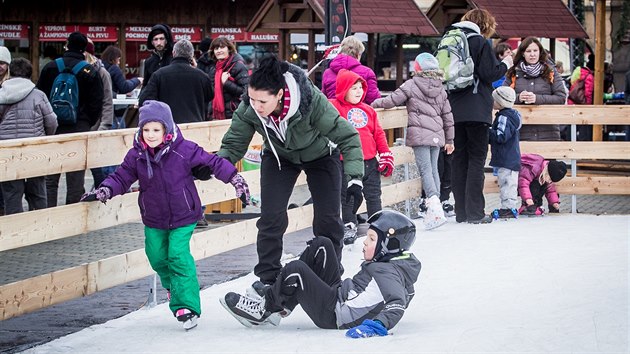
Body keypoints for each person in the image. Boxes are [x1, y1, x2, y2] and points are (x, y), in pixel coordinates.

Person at [79, 100, 251, 330]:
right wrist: (105, 190)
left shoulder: (185, 150)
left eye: (156, 130)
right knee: (157, 257)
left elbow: (214, 162)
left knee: (178, 256)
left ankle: (186, 307)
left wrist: (235, 179)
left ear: (167, 129)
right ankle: (173, 287)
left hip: (183, 214)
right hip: (154, 217)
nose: (150, 135)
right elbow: (121, 177)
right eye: (146, 130)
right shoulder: (136, 155)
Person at [216, 55, 363, 285]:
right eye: (252, 99)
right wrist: (217, 165)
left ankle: (330, 277)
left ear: (280, 94)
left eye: (262, 102)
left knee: (328, 220)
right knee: (271, 217)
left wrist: (355, 178)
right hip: (279, 157)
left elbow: (347, 136)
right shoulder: (250, 107)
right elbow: (234, 143)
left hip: (321, 157)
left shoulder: (311, 102)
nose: (256, 106)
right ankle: (268, 278)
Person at [220, 209, 421, 339]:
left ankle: (263, 311)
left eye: (371, 238)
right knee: (322, 245)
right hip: (339, 295)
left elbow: (397, 301)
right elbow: (406, 293)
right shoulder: (391, 265)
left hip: (334, 314)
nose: (364, 242)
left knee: (296, 270)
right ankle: (278, 300)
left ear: (389, 246)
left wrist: (377, 325)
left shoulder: (387, 271)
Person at [372, 53, 454, 230]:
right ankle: (436, 203)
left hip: (419, 134)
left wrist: (373, 104)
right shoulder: (441, 87)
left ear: (417, 69)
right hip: (437, 134)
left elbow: (391, 101)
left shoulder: (411, 84)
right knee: (433, 171)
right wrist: (450, 139)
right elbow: (448, 116)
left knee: (425, 170)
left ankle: (434, 207)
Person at [446, 9, 513, 224]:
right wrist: (506, 65)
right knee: (476, 160)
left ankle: (461, 212)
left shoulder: (452, 41)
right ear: (485, 25)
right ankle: (475, 213)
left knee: (459, 160)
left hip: (455, 109)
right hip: (477, 111)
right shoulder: (480, 43)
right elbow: (489, 74)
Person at [37, 31, 104, 207]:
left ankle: (48, 215)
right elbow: (97, 103)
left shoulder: (50, 67)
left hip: (53, 127)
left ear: (66, 45)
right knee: (75, 176)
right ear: (84, 49)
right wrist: (86, 123)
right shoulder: (89, 71)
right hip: (79, 127)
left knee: (51, 177)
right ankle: (72, 218)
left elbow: (40, 97)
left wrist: (47, 122)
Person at [329, 69, 392, 244]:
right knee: (349, 196)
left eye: (360, 88)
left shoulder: (368, 110)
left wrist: (385, 153)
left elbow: (378, 133)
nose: (359, 91)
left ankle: (378, 225)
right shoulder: (335, 106)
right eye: (353, 88)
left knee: (373, 194)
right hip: (346, 161)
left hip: (370, 160)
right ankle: (349, 225)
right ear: (343, 89)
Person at [0, 58, 58, 214]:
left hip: (7, 152)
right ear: (30, 74)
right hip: (35, 150)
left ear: (10, 72)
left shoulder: (1, 94)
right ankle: (39, 231)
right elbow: (52, 121)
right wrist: (44, 137)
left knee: (12, 195)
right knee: (38, 193)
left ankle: (15, 232)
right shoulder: (39, 95)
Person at [503, 37, 566, 141]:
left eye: (535, 51)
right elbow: (502, 97)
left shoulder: (551, 72)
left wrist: (537, 99)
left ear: (540, 52)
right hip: (520, 132)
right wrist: (519, 98)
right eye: (528, 51)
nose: (532, 54)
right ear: (523, 53)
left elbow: (561, 97)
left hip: (548, 132)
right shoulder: (513, 72)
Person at [139, 39, 212, 124]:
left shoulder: (159, 75)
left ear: (173, 53)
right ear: (192, 56)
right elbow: (210, 95)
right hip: (195, 125)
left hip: (168, 126)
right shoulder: (202, 76)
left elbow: (145, 99)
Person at [488, 86, 521, 219]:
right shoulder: (511, 116)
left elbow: (501, 136)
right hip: (510, 157)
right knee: (507, 182)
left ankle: (508, 208)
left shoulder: (504, 117)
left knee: (507, 182)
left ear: (501, 102)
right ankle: (508, 206)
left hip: (506, 157)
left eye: (494, 99)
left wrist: (487, 130)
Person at [197, 36, 249, 120]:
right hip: (215, 115)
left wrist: (226, 83)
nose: (219, 51)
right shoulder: (214, 69)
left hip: (234, 115)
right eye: (216, 48)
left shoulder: (238, 66)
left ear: (229, 49)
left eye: (222, 47)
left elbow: (246, 92)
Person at [321, 35, 381, 104]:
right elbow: (373, 100)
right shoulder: (367, 72)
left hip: (334, 112)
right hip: (358, 113)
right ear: (358, 54)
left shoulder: (327, 73)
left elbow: (324, 99)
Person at [101, 45, 143, 129]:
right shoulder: (114, 69)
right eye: (119, 59)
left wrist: (118, 93)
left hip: (103, 111)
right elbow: (124, 87)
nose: (119, 62)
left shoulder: (100, 68)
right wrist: (137, 80)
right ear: (114, 58)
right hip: (115, 112)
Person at [142, 24, 173, 89]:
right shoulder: (149, 62)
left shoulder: (174, 58)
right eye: (155, 39)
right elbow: (146, 84)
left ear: (166, 40)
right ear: (152, 42)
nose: (159, 43)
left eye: (161, 39)